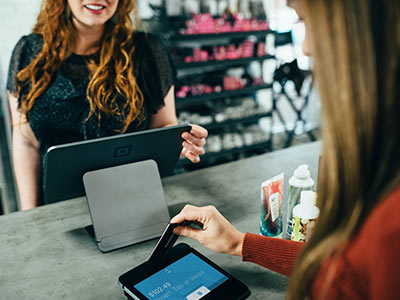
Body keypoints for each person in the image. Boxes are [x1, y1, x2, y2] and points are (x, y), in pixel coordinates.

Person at [171, 0, 400, 299]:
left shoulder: (389, 223)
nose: (305, 48)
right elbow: (344, 267)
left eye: (307, 20)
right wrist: (239, 243)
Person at [7, 0, 208, 211]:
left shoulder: (147, 50)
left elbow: (164, 125)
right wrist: (30, 215)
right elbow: (26, 142)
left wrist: (181, 139)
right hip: (58, 208)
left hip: (134, 201)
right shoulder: (28, 52)